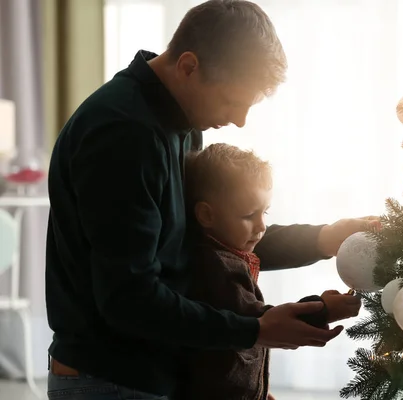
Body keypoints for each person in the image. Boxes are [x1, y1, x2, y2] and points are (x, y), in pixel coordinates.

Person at [45, 1, 380, 399]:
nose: (239, 120)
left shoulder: (182, 123)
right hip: (112, 381)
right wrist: (254, 332)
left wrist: (325, 238)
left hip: (160, 373)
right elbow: (127, 298)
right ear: (188, 66)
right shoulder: (123, 135)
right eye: (231, 102)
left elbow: (214, 238)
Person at [177, 144, 363, 400]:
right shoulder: (215, 267)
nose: (261, 226)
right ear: (207, 215)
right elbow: (262, 322)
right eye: (248, 215)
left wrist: (259, 391)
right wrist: (323, 309)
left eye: (264, 212)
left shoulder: (230, 257)